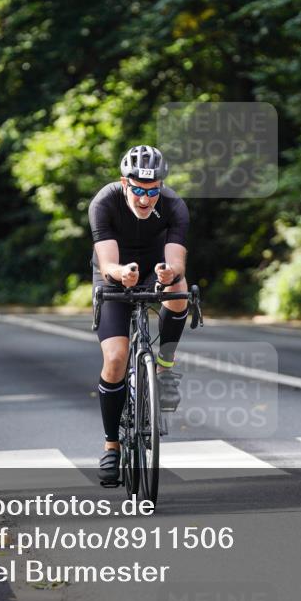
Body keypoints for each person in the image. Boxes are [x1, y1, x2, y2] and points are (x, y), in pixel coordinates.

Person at [88, 145, 190, 485]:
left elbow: (176, 260)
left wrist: (168, 273)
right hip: (115, 272)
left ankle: (165, 367)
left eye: (152, 190)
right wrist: (121, 274)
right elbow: (106, 263)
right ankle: (112, 445)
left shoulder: (174, 206)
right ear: (124, 182)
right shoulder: (105, 202)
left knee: (179, 291)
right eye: (138, 189)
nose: (145, 199)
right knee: (116, 358)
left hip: (154, 268)